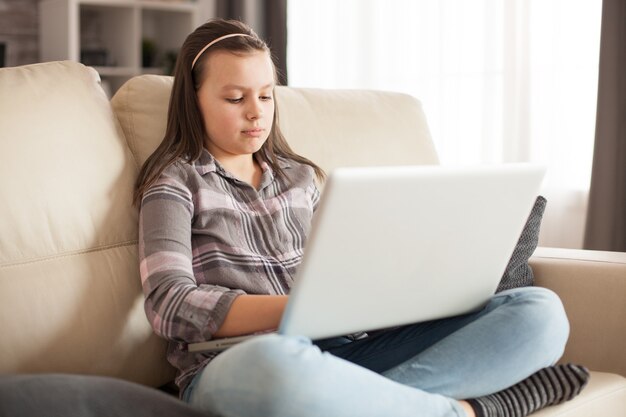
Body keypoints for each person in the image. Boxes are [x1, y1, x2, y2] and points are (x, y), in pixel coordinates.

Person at [135, 19, 589, 417]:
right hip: (243, 363)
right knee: (271, 364)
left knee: (539, 313)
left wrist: (395, 290)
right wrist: (296, 310)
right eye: (235, 98)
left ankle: (360, 403)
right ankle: (472, 410)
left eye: (267, 96)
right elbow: (168, 303)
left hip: (344, 353)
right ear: (194, 100)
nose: (257, 112)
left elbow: (340, 273)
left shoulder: (300, 178)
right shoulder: (173, 183)